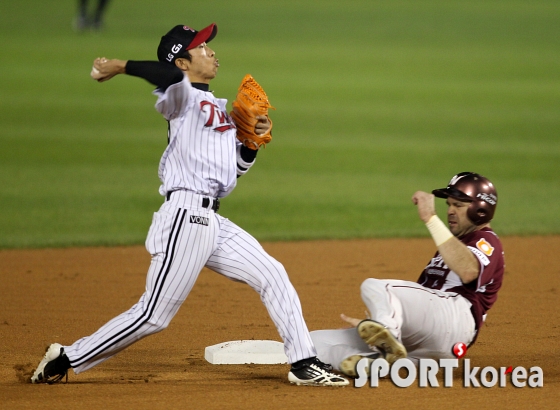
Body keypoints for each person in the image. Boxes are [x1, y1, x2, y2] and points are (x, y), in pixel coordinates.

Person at [31, 23, 348, 387]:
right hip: (184, 218)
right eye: (202, 48)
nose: (212, 52)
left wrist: (251, 143)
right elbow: (165, 75)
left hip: (211, 219)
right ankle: (67, 356)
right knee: (153, 316)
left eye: (210, 46)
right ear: (182, 62)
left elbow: (233, 173)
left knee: (272, 274)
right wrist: (119, 65)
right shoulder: (180, 100)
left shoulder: (217, 108)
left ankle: (303, 362)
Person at [309, 172, 504, 377]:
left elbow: (469, 271)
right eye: (449, 205)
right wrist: (376, 323)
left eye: (458, 205)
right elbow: (422, 296)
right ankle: (374, 362)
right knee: (312, 344)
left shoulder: (487, 240)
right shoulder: (451, 246)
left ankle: (386, 340)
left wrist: (430, 218)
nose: (450, 211)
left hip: (456, 318)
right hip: (430, 341)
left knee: (376, 287)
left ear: (480, 210)